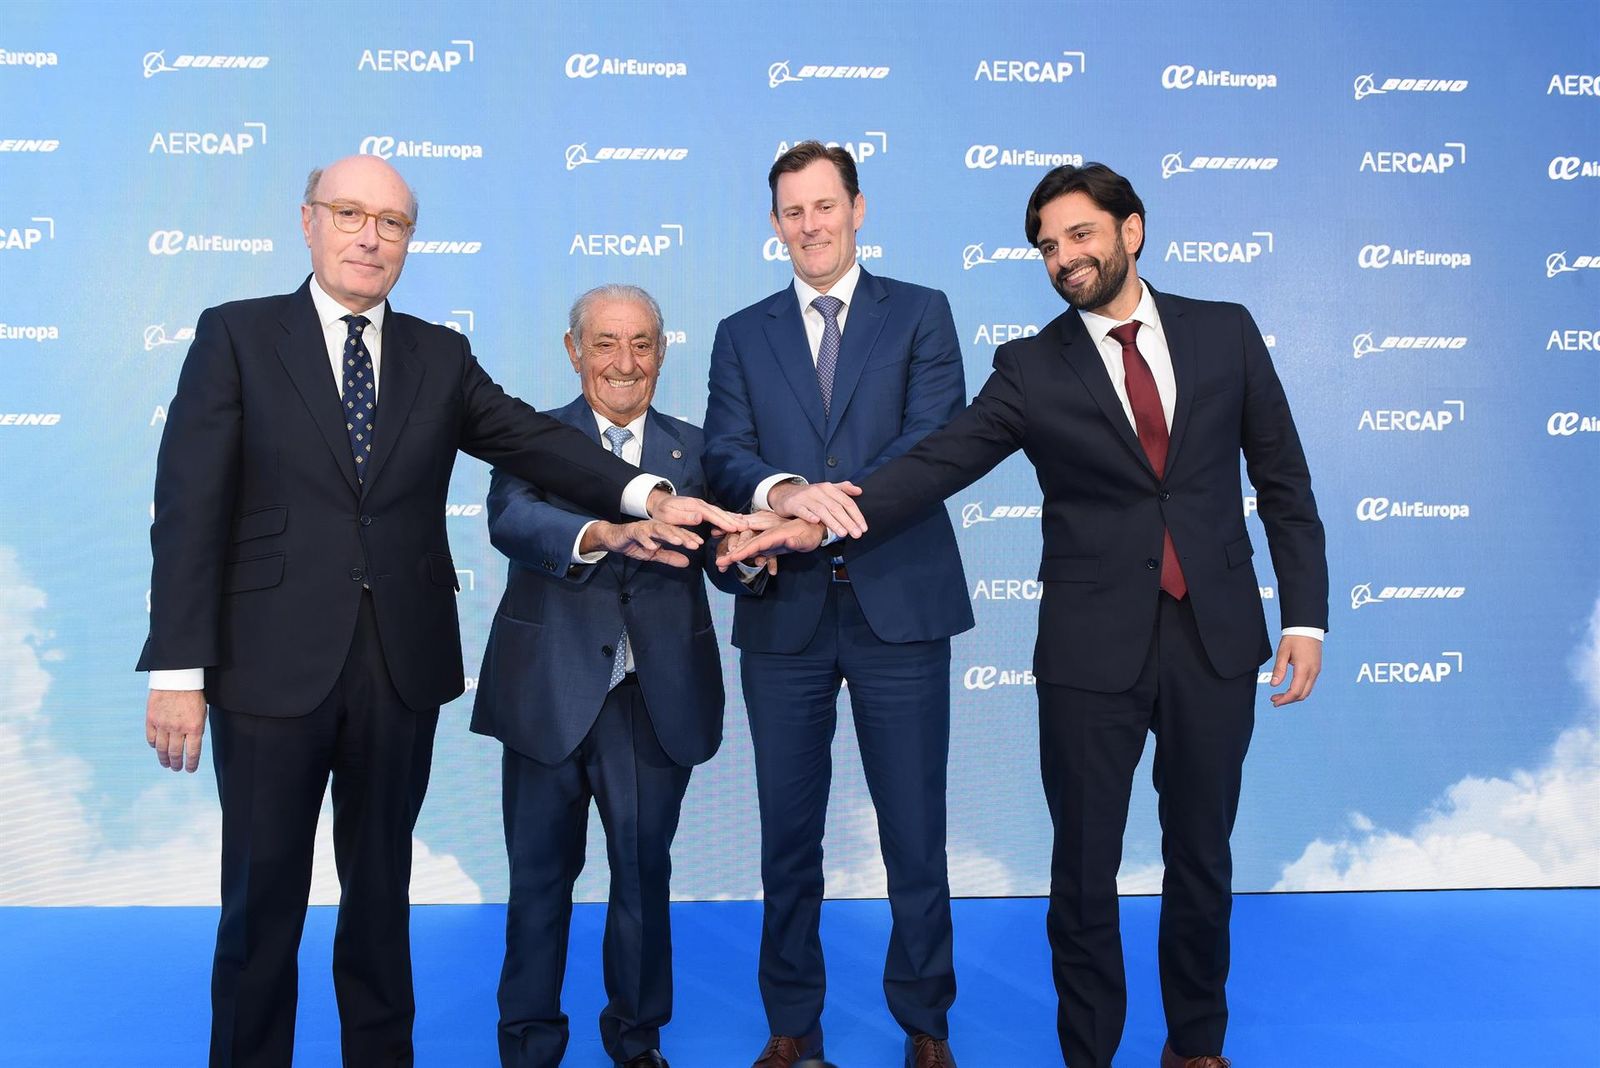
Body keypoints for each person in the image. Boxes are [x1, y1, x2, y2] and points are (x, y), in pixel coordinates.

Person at [136, 155, 739, 1068]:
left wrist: (646, 496)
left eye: (393, 222)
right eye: (350, 213)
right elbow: (187, 510)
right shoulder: (237, 337)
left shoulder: (439, 354)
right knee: (261, 904)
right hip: (265, 670)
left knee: (381, 896)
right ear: (309, 222)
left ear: (410, 241)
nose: (370, 235)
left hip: (399, 669)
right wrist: (180, 672)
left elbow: (538, 441)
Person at [722, 163, 1329, 1068]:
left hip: (1216, 638)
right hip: (1089, 650)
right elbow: (939, 462)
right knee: (1082, 873)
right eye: (1048, 245)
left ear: (1132, 230)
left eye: (1080, 235)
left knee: (1202, 856)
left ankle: (1197, 1046)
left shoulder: (1226, 333)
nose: (1064, 258)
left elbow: (1283, 480)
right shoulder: (1031, 364)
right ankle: (1089, 1053)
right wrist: (812, 517)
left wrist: (1306, 618)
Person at [702, 141, 971, 1068]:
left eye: (825, 206)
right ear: (774, 223)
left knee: (914, 832)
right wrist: (782, 492)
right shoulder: (742, 332)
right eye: (792, 211)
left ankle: (927, 1027)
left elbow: (933, 445)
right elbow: (725, 451)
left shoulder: (923, 314)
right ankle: (793, 1027)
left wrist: (826, 517)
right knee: (787, 834)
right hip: (784, 618)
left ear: (858, 209)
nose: (810, 225)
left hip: (901, 602)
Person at [472, 285, 768, 1068]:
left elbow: (725, 559)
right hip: (545, 693)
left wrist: (751, 563)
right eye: (605, 344)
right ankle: (530, 1046)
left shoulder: (700, 451)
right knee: (538, 884)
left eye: (641, 344)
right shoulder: (532, 437)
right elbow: (512, 519)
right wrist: (604, 531)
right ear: (574, 351)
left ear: (663, 351)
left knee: (643, 877)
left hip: (650, 699)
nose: (624, 363)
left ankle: (637, 1043)